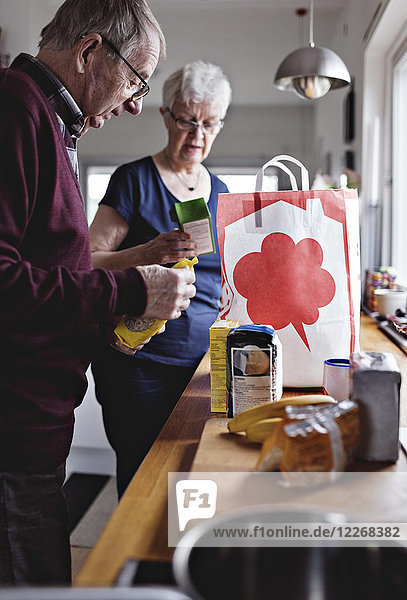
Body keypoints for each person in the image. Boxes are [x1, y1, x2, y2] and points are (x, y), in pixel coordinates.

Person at [0, 0, 196, 586]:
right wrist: (128, 291)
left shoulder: (53, 121)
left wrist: (138, 268)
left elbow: (53, 262)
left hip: (39, 424)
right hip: (15, 429)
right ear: (88, 51)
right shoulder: (17, 108)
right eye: (137, 80)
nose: (137, 102)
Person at [89, 60, 232, 497]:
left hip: (205, 367)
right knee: (142, 477)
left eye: (210, 124)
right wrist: (147, 253)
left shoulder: (222, 192)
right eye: (188, 121)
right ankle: (139, 563)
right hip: (139, 365)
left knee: (198, 471)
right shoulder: (133, 180)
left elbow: (224, 282)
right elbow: (87, 261)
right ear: (165, 115)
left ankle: (182, 560)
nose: (198, 136)